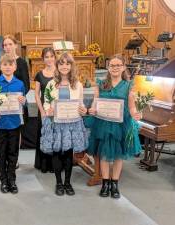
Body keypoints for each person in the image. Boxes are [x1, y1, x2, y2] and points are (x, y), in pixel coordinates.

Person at [87, 54, 141, 199]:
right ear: (108, 67)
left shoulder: (129, 85)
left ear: (123, 67)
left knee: (118, 155)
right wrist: (92, 109)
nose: (115, 68)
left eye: (118, 65)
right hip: (103, 124)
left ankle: (115, 183)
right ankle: (105, 183)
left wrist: (136, 114)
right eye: (112, 65)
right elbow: (95, 101)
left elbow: (132, 107)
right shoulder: (101, 83)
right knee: (104, 154)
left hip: (121, 124)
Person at [41, 53, 89, 196]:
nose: (64, 66)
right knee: (57, 153)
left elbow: (81, 104)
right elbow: (46, 101)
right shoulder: (51, 84)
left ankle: (67, 182)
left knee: (68, 154)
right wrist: (47, 109)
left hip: (72, 123)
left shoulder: (78, 84)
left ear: (71, 66)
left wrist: (84, 110)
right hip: (56, 123)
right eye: (61, 63)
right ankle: (58, 183)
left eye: (67, 64)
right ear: (57, 66)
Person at [0, 54, 26, 194]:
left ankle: (12, 179)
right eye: (5, 65)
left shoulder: (20, 84)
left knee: (13, 153)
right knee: (1, 153)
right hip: (0, 125)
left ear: (15, 67)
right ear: (0, 67)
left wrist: (23, 101)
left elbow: (23, 103)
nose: (8, 67)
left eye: (10, 65)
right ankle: (3, 180)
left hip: (14, 124)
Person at [0, 34, 30, 168]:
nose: (7, 47)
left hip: (17, 104)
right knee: (3, 133)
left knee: (16, 132)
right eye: (5, 45)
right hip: (3, 105)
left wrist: (19, 97)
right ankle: (4, 158)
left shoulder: (22, 62)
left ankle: (15, 159)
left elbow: (26, 84)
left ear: (15, 45)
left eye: (10, 44)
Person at [34, 47, 56, 173]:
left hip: (56, 110)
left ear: (55, 57)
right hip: (43, 109)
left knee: (55, 135)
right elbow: (37, 94)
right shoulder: (39, 74)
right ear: (43, 59)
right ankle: (43, 164)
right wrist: (42, 111)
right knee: (43, 135)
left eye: (51, 56)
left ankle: (54, 164)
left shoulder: (59, 73)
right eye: (46, 57)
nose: (49, 59)